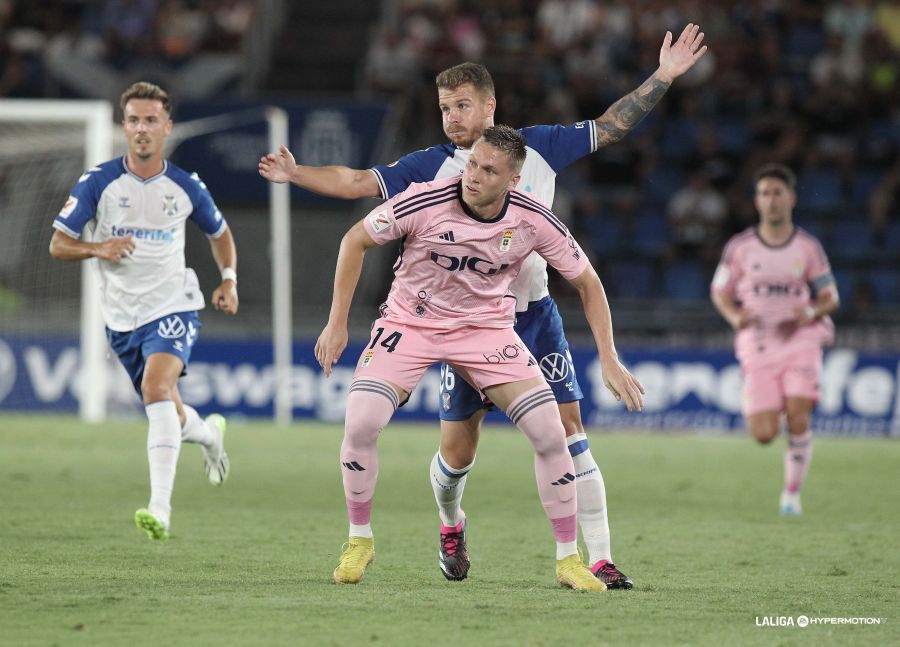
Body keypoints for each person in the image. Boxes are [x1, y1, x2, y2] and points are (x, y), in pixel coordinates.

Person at [261, 24, 707, 586]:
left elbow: (610, 127)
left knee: (565, 431)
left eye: (462, 105)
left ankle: (595, 558)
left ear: (490, 106)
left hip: (526, 315)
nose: (452, 118)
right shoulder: (429, 171)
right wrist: (296, 173)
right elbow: (355, 185)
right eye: (445, 108)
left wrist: (663, 76)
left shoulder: (537, 149)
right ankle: (450, 523)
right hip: (440, 317)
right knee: (457, 452)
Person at [318, 125, 643, 590]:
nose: (473, 175)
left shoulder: (532, 218)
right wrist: (337, 323)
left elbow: (588, 282)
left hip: (484, 330)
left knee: (552, 432)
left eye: (489, 170)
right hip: (411, 324)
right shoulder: (425, 199)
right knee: (361, 422)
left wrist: (609, 357)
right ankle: (360, 540)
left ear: (513, 180)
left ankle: (569, 560)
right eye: (472, 163)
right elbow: (355, 240)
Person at [49, 81, 239, 540]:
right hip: (121, 318)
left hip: (173, 304)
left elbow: (219, 233)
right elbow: (58, 244)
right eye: (133, 120)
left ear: (167, 127)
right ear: (124, 126)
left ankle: (160, 509)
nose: (141, 129)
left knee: (157, 389)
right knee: (168, 410)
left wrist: (229, 279)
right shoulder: (98, 182)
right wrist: (99, 248)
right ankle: (209, 436)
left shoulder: (186, 186)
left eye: (151, 120)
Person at [711, 163, 839, 515]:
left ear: (791, 198)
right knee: (764, 434)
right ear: (757, 200)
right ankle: (775, 399)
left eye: (778, 193)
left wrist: (811, 311)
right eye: (765, 193)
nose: (771, 200)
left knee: (798, 417)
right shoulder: (740, 247)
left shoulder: (808, 247)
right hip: (758, 341)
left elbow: (831, 296)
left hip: (800, 339)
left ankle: (791, 495)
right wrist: (735, 316)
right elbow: (719, 291)